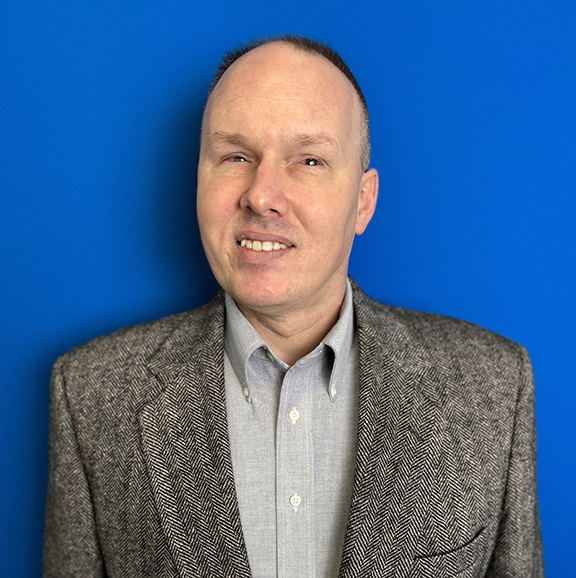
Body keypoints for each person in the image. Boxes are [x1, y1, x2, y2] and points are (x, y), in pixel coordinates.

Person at [43, 36, 544, 578]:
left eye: (308, 160)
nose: (261, 195)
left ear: (363, 201)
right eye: (236, 156)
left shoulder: (492, 385)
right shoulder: (90, 392)